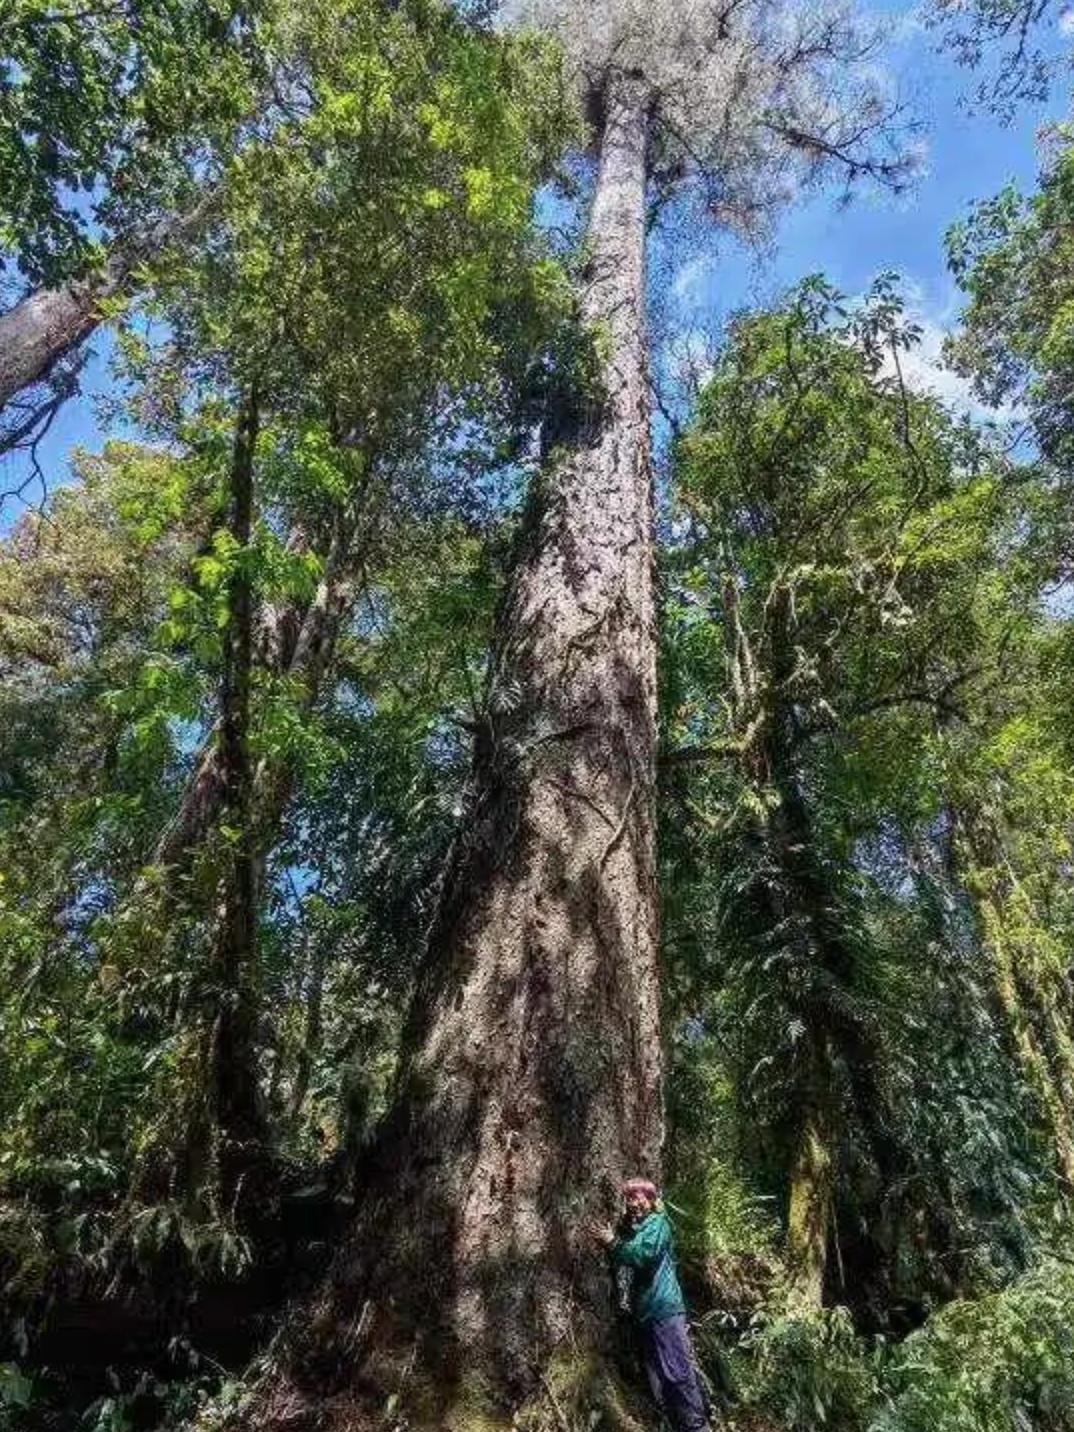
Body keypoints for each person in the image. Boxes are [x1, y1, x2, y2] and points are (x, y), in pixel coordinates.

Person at [589, 1178, 711, 1432]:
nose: (634, 1203)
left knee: (677, 1372)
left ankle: (698, 1428)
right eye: (630, 1198)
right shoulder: (637, 1228)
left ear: (652, 1200)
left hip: (665, 1310)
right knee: (658, 1381)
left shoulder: (658, 1224)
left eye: (640, 1197)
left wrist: (612, 1242)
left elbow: (642, 1254)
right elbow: (631, 1246)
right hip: (646, 1315)